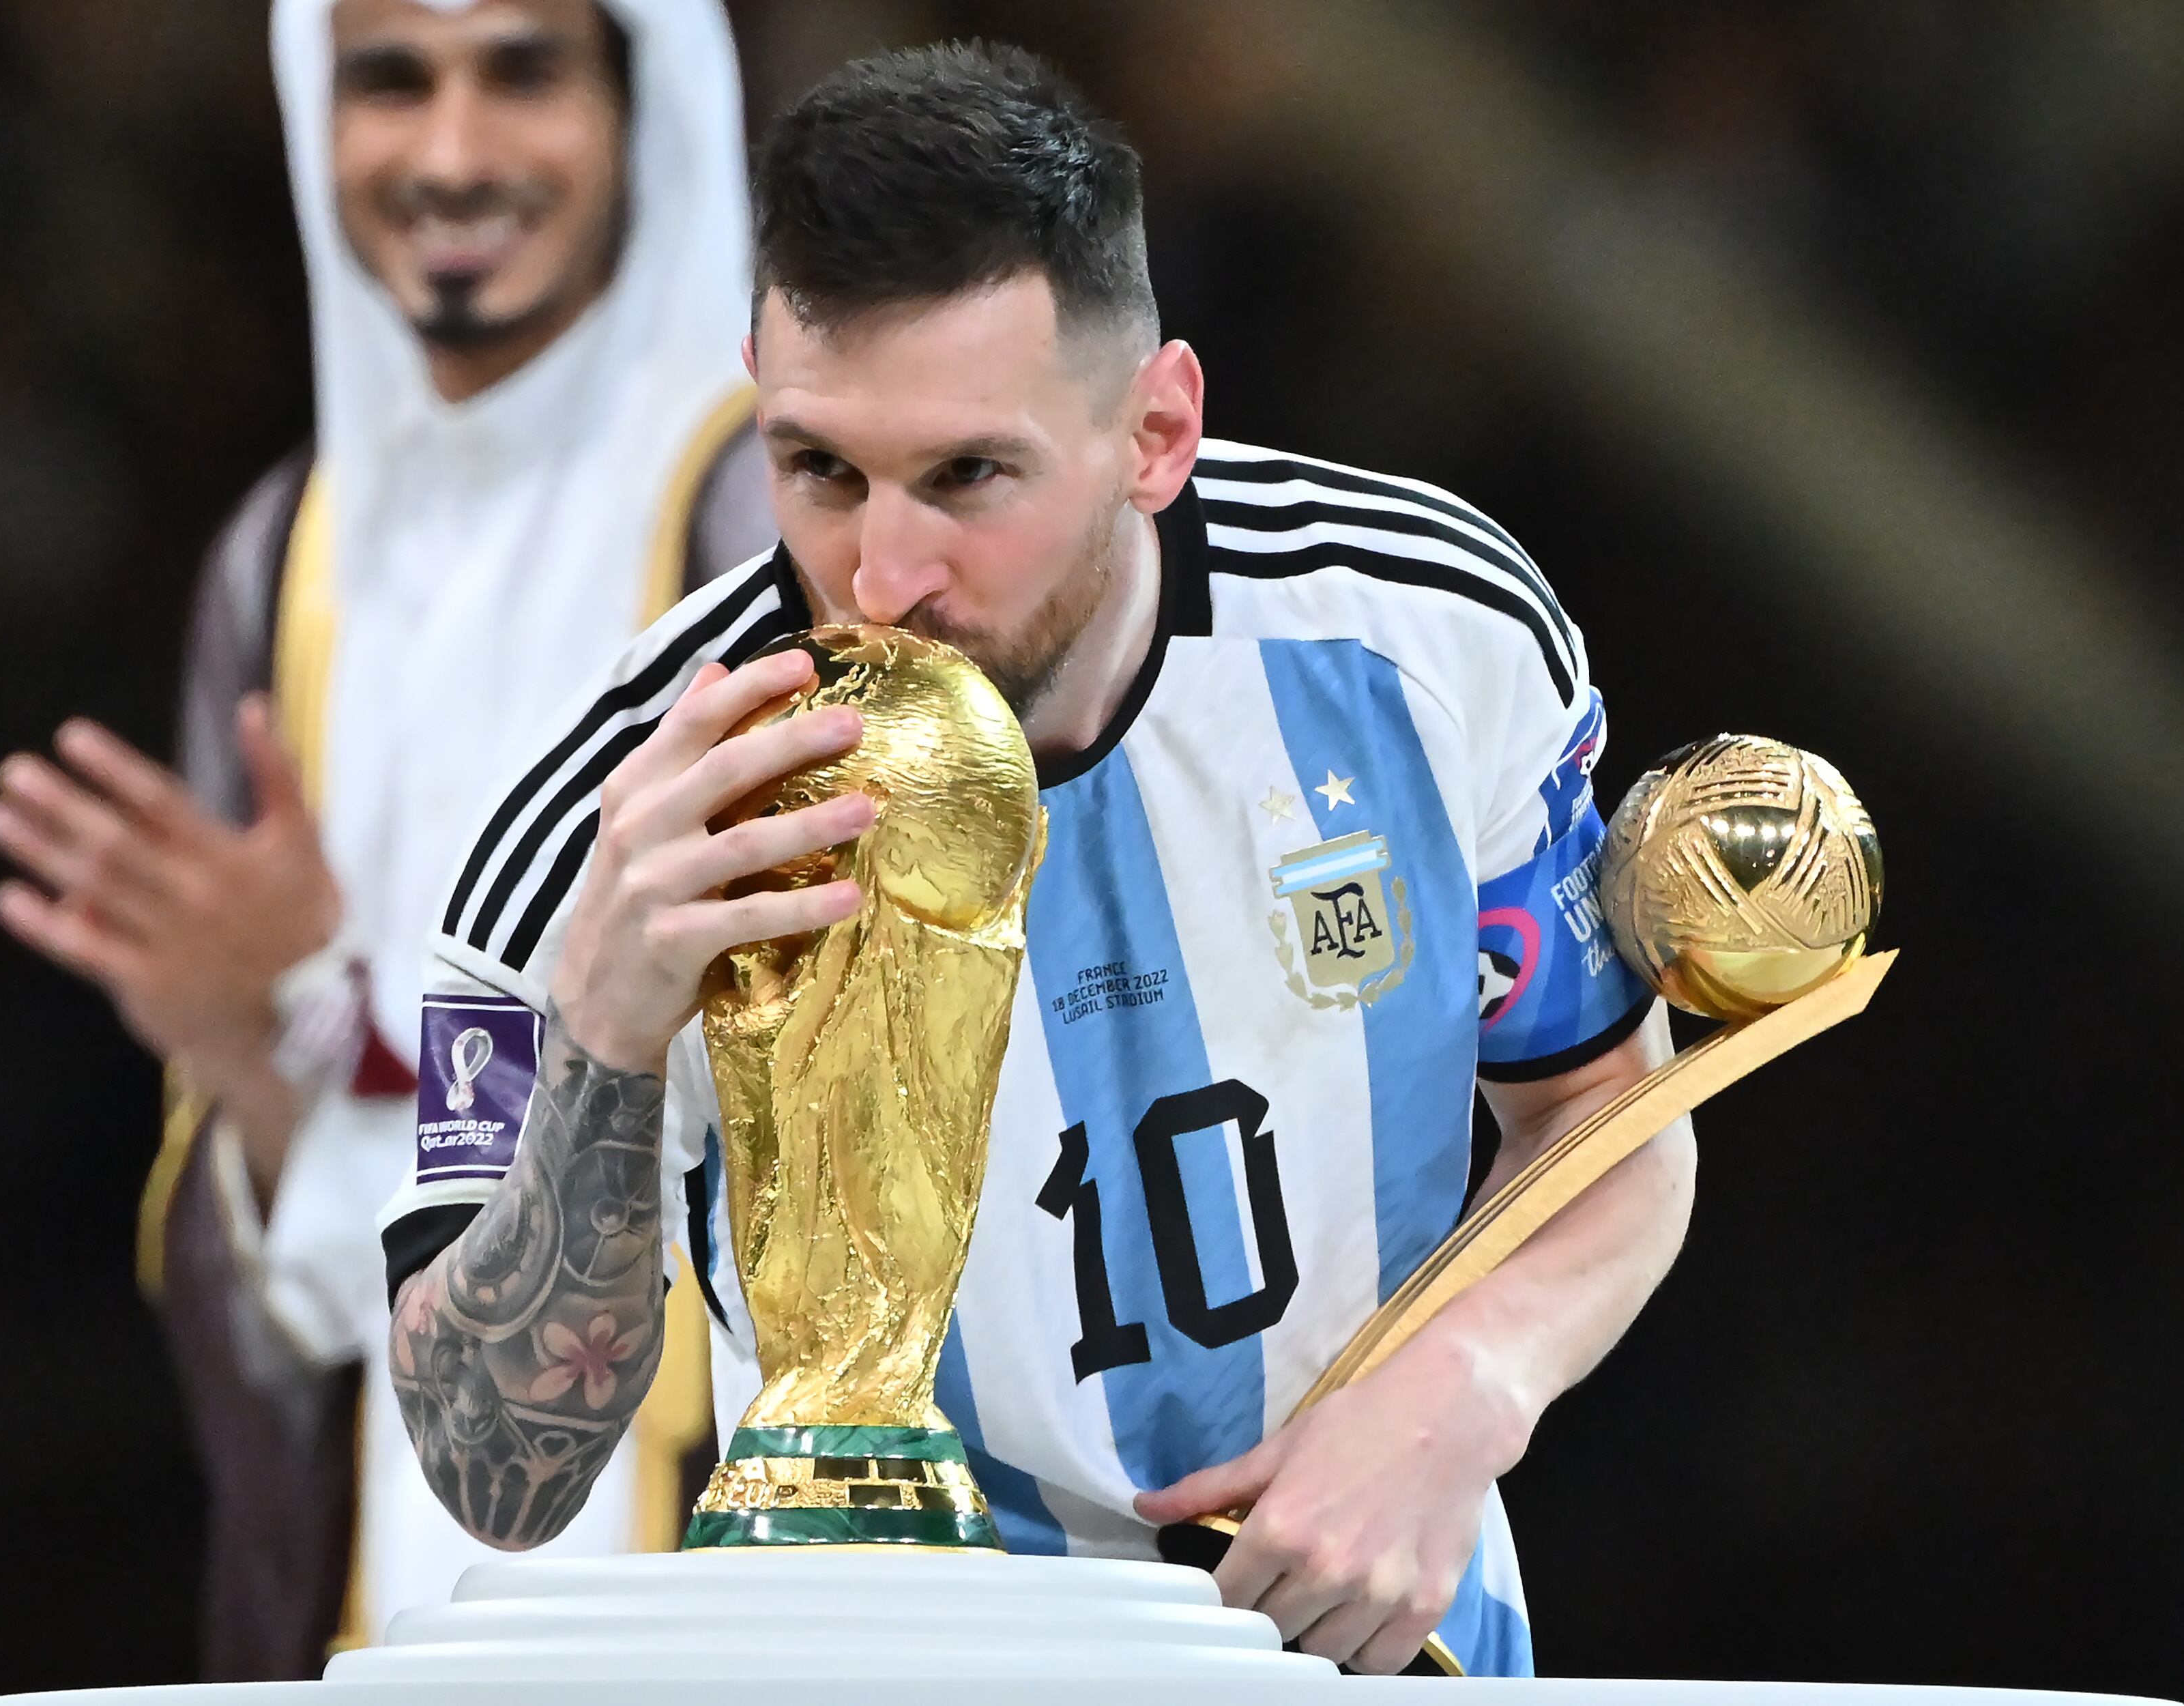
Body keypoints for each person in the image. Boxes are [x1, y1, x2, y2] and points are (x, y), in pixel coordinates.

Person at [379, 41, 1696, 1679]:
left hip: (1363, 1658)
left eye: (968, 477)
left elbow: (1606, 1114)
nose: (881, 575)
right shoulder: (606, 828)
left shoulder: (1429, 636)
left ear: (1156, 430)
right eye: (819, 469)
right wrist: (602, 1031)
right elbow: (493, 1471)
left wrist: (1467, 1384)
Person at [0, 0, 768, 1677]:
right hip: (398, 1570)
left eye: (523, 73)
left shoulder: (764, 515)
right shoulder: (285, 558)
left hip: (722, 1554)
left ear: (644, 104)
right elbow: (330, 1214)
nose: (454, 154)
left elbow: (808, 1126)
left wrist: (344, 1056)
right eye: (391, 83)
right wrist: (254, 1039)